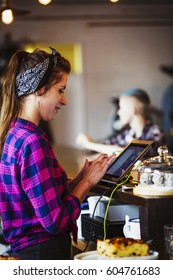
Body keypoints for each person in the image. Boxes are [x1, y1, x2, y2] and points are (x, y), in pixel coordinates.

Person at [0, 48, 115, 260]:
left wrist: (80, 178)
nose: (65, 100)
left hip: (26, 252)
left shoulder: (14, 133)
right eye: (61, 90)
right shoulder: (32, 141)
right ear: (39, 90)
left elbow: (41, 203)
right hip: (43, 253)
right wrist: (87, 183)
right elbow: (55, 220)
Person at [76, 88, 165, 157]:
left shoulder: (155, 132)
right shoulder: (127, 133)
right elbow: (107, 145)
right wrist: (90, 142)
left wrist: (89, 144)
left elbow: (128, 154)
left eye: (121, 107)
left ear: (132, 110)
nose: (118, 112)